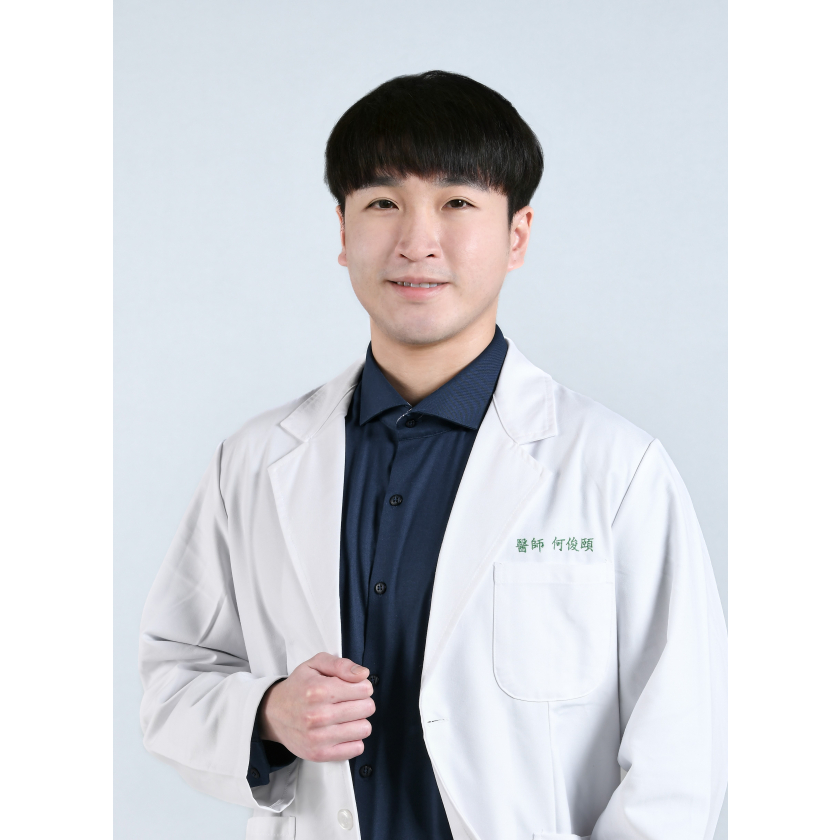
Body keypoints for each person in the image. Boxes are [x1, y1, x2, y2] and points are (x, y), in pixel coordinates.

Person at [139, 70, 727, 840]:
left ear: (517, 235)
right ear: (343, 232)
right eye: (384, 203)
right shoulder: (254, 464)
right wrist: (270, 712)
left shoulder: (615, 470)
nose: (417, 242)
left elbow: (682, 754)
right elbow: (172, 680)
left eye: (457, 203)